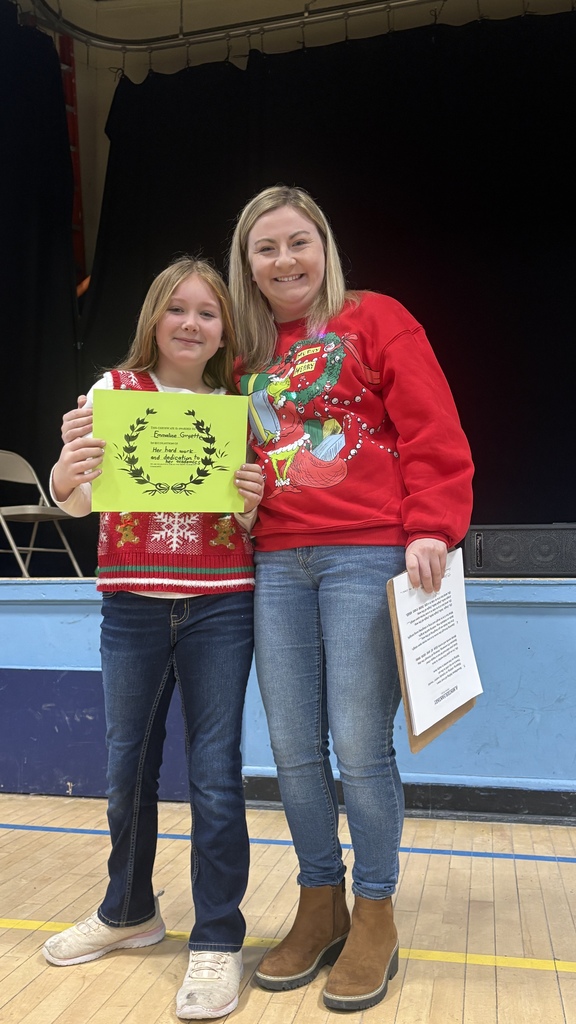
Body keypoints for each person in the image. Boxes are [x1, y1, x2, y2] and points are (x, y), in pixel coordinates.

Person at [228, 186, 474, 1012]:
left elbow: (431, 427)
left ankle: (375, 910)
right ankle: (318, 901)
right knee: (294, 748)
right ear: (248, 264)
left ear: (325, 247)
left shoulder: (376, 319)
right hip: (276, 561)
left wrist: (432, 523)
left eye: (300, 242)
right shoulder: (244, 353)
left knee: (358, 746)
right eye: (267, 249)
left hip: (365, 556)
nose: (286, 260)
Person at [42, 257, 264, 1021]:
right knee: (125, 768)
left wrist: (250, 503)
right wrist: (68, 473)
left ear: (224, 333)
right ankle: (128, 910)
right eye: (178, 310)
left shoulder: (240, 406)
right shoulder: (113, 392)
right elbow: (71, 501)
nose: (192, 324)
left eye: (209, 313)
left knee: (215, 775)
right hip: (132, 603)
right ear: (154, 319)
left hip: (222, 606)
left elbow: (253, 522)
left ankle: (218, 937)